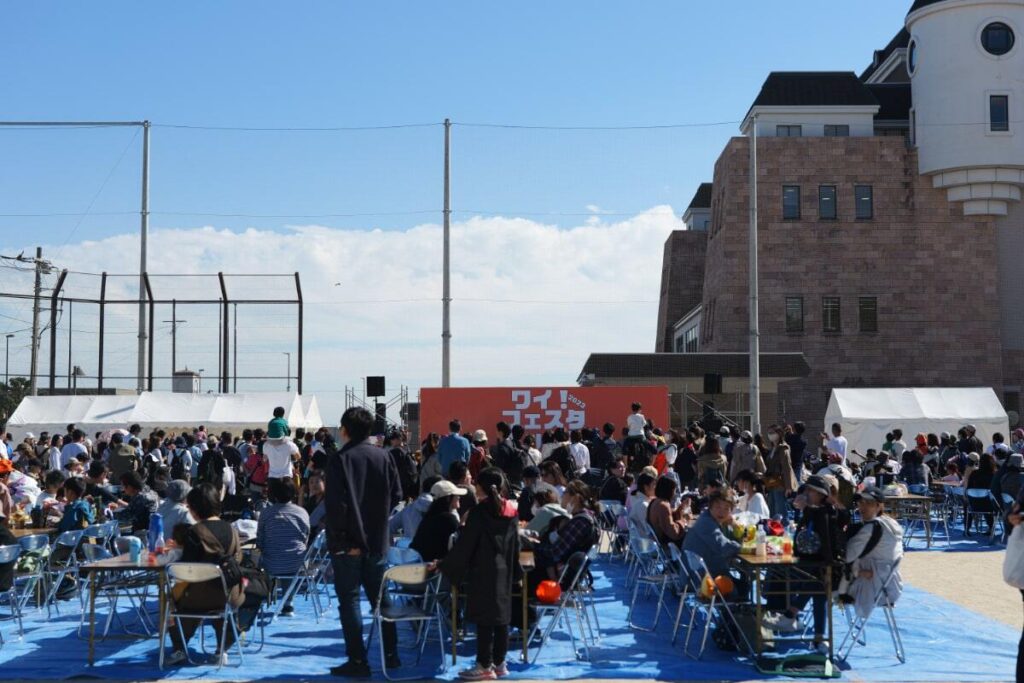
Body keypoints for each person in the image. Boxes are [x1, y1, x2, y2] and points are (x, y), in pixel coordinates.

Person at [325, 407, 403, 678]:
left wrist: (344, 540)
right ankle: (391, 654)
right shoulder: (384, 457)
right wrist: (378, 521)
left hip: (349, 545)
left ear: (345, 430)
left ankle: (358, 660)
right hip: (377, 541)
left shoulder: (340, 459)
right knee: (382, 600)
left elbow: (335, 506)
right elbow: (396, 495)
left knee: (349, 601)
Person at [437, 467, 519, 681]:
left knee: (485, 619)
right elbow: (516, 543)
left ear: (480, 487)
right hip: (505, 568)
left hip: (482, 569)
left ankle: (484, 664)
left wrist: (445, 564)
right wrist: (519, 570)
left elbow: (466, 544)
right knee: (501, 617)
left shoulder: (478, 513)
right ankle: (500, 663)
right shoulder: (511, 510)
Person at [163, 483, 245, 667]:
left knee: (175, 597)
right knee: (220, 602)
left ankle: (179, 647)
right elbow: (237, 559)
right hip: (228, 596)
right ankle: (221, 648)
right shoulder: (231, 530)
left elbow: (186, 570)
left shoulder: (193, 533)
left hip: (196, 598)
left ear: (193, 509)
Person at [762, 475, 845, 652]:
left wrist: (806, 507)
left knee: (814, 583)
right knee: (817, 589)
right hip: (814, 566)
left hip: (825, 568)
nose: (806, 493)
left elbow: (826, 541)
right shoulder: (816, 510)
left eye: (810, 491)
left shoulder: (825, 512)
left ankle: (790, 614)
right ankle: (817, 636)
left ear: (821, 494)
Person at [839, 486, 903, 619]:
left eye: (868, 503)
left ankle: (813, 629)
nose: (863, 506)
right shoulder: (892, 523)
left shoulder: (871, 527)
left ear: (879, 506)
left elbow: (847, 556)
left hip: (872, 588)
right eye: (860, 502)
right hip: (890, 587)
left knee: (822, 581)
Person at [257, 478, 309, 616]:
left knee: (263, 557)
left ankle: (265, 593)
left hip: (272, 563)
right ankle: (288, 602)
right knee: (291, 558)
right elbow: (305, 537)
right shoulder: (302, 512)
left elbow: (260, 540)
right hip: (297, 564)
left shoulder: (266, 513)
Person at [533, 480, 599, 577]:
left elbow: (554, 552)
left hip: (560, 572)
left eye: (565, 493)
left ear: (575, 498)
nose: (562, 496)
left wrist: (532, 545)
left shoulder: (580, 522)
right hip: (562, 567)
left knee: (524, 555)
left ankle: (521, 588)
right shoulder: (585, 518)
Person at [682, 488, 741, 579]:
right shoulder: (706, 523)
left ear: (731, 511)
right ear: (710, 507)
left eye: (726, 508)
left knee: (743, 584)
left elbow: (730, 541)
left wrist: (734, 526)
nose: (721, 511)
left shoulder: (713, 519)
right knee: (740, 587)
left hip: (704, 571)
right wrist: (746, 548)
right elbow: (723, 547)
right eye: (718, 507)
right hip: (700, 578)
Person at [411, 479, 465, 563]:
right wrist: (462, 525)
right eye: (456, 495)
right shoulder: (449, 519)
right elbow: (460, 545)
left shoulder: (428, 517)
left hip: (421, 566)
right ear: (448, 498)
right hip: (436, 570)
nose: (459, 497)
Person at [764, 426, 797, 520]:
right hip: (772, 482)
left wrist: (788, 486)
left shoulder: (783, 448)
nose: (770, 435)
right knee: (771, 508)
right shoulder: (773, 448)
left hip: (780, 482)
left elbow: (787, 467)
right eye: (769, 432)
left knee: (780, 510)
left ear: (779, 434)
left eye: (772, 432)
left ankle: (783, 529)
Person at [646, 475, 688, 548]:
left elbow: (666, 517)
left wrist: (680, 508)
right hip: (665, 545)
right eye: (674, 490)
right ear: (669, 491)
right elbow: (674, 533)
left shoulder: (654, 501)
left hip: (657, 540)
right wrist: (683, 521)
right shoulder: (663, 506)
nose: (674, 494)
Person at [387, 430, 419, 501]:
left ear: (398, 439)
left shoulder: (395, 452)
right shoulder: (406, 450)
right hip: (408, 485)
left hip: (399, 484)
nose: (391, 441)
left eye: (393, 439)